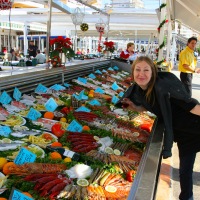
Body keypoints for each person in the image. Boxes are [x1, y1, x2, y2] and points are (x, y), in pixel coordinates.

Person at [118, 56, 200, 200]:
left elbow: (191, 106)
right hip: (182, 135)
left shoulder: (163, 86)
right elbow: (148, 105)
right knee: (185, 172)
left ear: (153, 72)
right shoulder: (139, 90)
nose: (141, 74)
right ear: (133, 72)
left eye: (146, 70)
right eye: (137, 69)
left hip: (195, 127)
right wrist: (135, 107)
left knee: (185, 171)